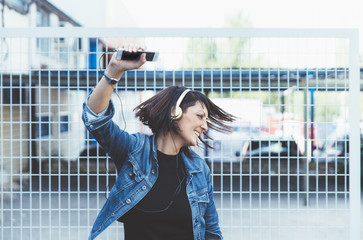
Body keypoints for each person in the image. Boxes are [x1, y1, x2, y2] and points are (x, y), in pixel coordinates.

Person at [82, 46, 235, 240]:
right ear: (175, 113)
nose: (205, 126)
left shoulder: (199, 169)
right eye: (200, 116)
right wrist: (114, 70)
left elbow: (212, 232)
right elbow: (95, 119)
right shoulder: (134, 150)